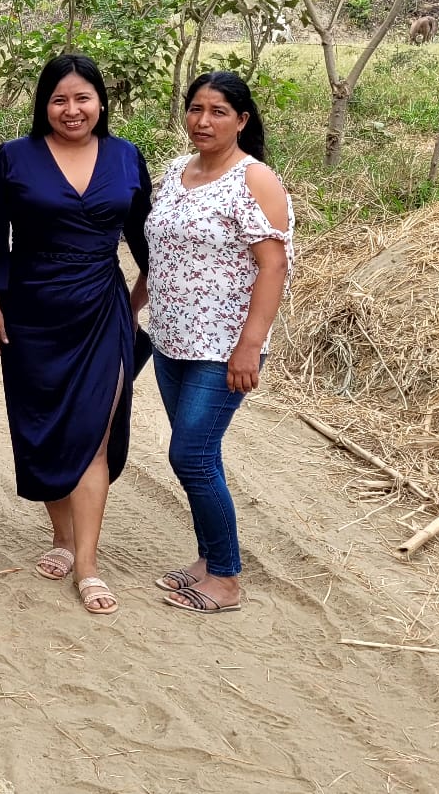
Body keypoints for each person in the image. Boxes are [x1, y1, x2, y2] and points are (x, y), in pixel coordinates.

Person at [0, 54, 150, 616]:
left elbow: (148, 239)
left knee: (93, 433)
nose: (72, 110)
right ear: (43, 105)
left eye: (83, 98)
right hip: (31, 312)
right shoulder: (12, 158)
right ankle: (63, 539)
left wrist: (136, 301)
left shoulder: (126, 157)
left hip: (101, 310)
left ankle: (88, 565)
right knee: (44, 428)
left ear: (101, 102)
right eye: (59, 100)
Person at [145, 70, 292, 614]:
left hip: (223, 348)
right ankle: (208, 560)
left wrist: (250, 346)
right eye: (195, 109)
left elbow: (274, 266)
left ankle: (226, 579)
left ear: (242, 120)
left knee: (190, 455)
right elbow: (159, 254)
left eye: (218, 112)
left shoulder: (255, 180)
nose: (203, 121)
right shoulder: (175, 172)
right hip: (171, 340)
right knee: (201, 455)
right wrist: (133, 307)